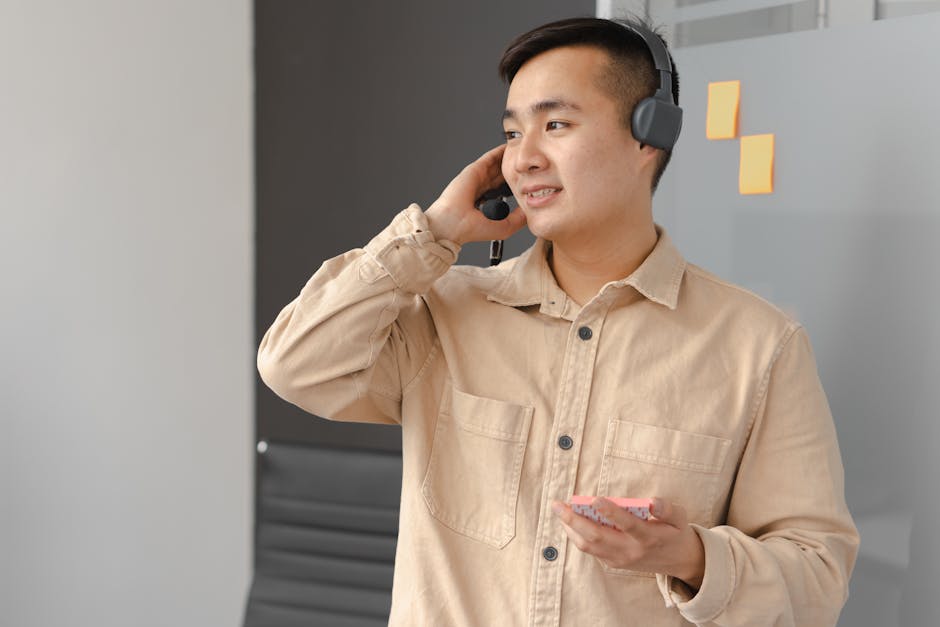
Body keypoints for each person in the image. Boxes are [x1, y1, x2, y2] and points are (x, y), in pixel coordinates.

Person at [257, 16, 859, 626]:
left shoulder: (758, 344)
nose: (523, 159)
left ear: (647, 135)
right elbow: (294, 365)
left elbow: (817, 579)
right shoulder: (445, 313)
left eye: (556, 125)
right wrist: (433, 232)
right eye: (512, 133)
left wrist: (693, 556)